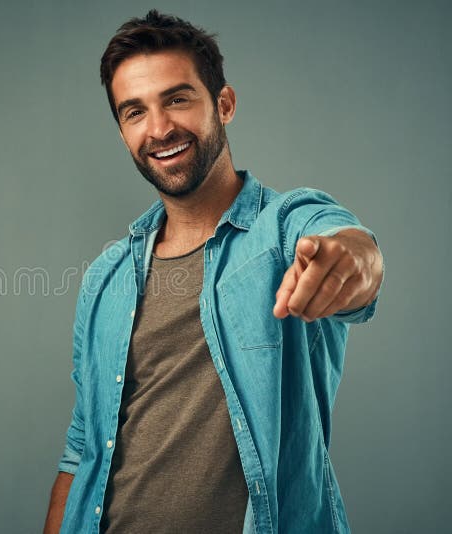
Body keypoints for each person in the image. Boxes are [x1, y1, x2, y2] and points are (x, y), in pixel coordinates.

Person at [42, 10, 384, 534]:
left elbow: (350, 249)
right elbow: (83, 446)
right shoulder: (105, 276)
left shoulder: (286, 229)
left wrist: (351, 259)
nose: (159, 129)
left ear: (223, 104)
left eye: (177, 99)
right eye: (135, 112)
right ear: (122, 131)